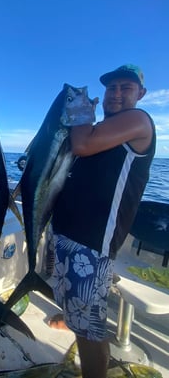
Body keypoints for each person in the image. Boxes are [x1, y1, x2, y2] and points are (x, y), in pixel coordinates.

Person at [49, 64, 156, 378]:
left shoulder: (138, 120)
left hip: (92, 243)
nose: (117, 94)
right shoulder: (99, 130)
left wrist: (80, 114)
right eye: (112, 88)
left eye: (127, 88)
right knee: (76, 309)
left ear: (141, 94)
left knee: (91, 333)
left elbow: (80, 144)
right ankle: (72, 318)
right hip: (66, 233)